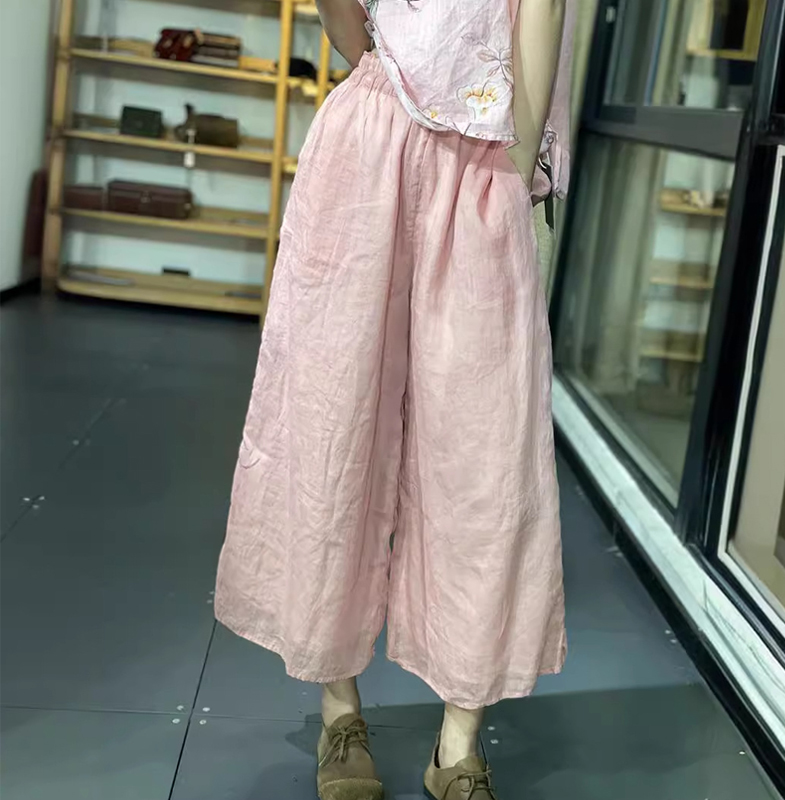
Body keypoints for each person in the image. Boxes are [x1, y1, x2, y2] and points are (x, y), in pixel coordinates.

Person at [215, 1, 575, 797]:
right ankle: (341, 710)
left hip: (483, 154)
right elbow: (347, 21)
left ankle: (457, 742)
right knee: (334, 415)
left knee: (483, 448)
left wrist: (509, 169)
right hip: (377, 138)